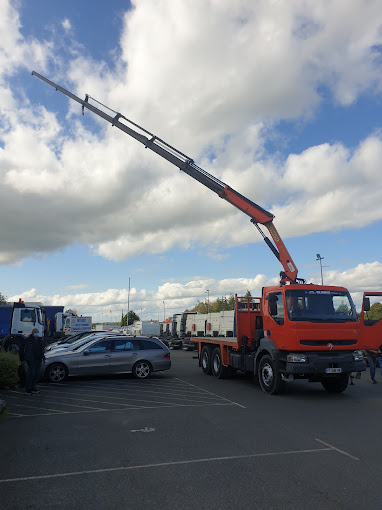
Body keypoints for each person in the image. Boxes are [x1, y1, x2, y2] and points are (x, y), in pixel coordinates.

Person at [19, 328, 46, 395]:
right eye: (36, 332)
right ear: (33, 333)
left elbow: (41, 350)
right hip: (31, 359)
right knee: (32, 374)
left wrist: (43, 357)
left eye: (38, 332)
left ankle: (33, 387)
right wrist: (22, 359)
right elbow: (22, 351)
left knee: (37, 374)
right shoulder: (28, 340)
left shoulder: (39, 340)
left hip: (38, 359)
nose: (37, 333)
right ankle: (28, 389)